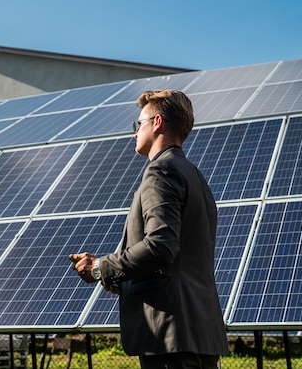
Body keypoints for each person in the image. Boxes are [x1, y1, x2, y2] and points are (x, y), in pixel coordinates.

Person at [69, 89, 228, 369]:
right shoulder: (196, 177)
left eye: (138, 123)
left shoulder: (161, 171)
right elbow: (176, 263)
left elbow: (160, 246)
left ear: (157, 123)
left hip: (169, 337)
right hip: (199, 332)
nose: (134, 132)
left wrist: (99, 267)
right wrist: (120, 280)